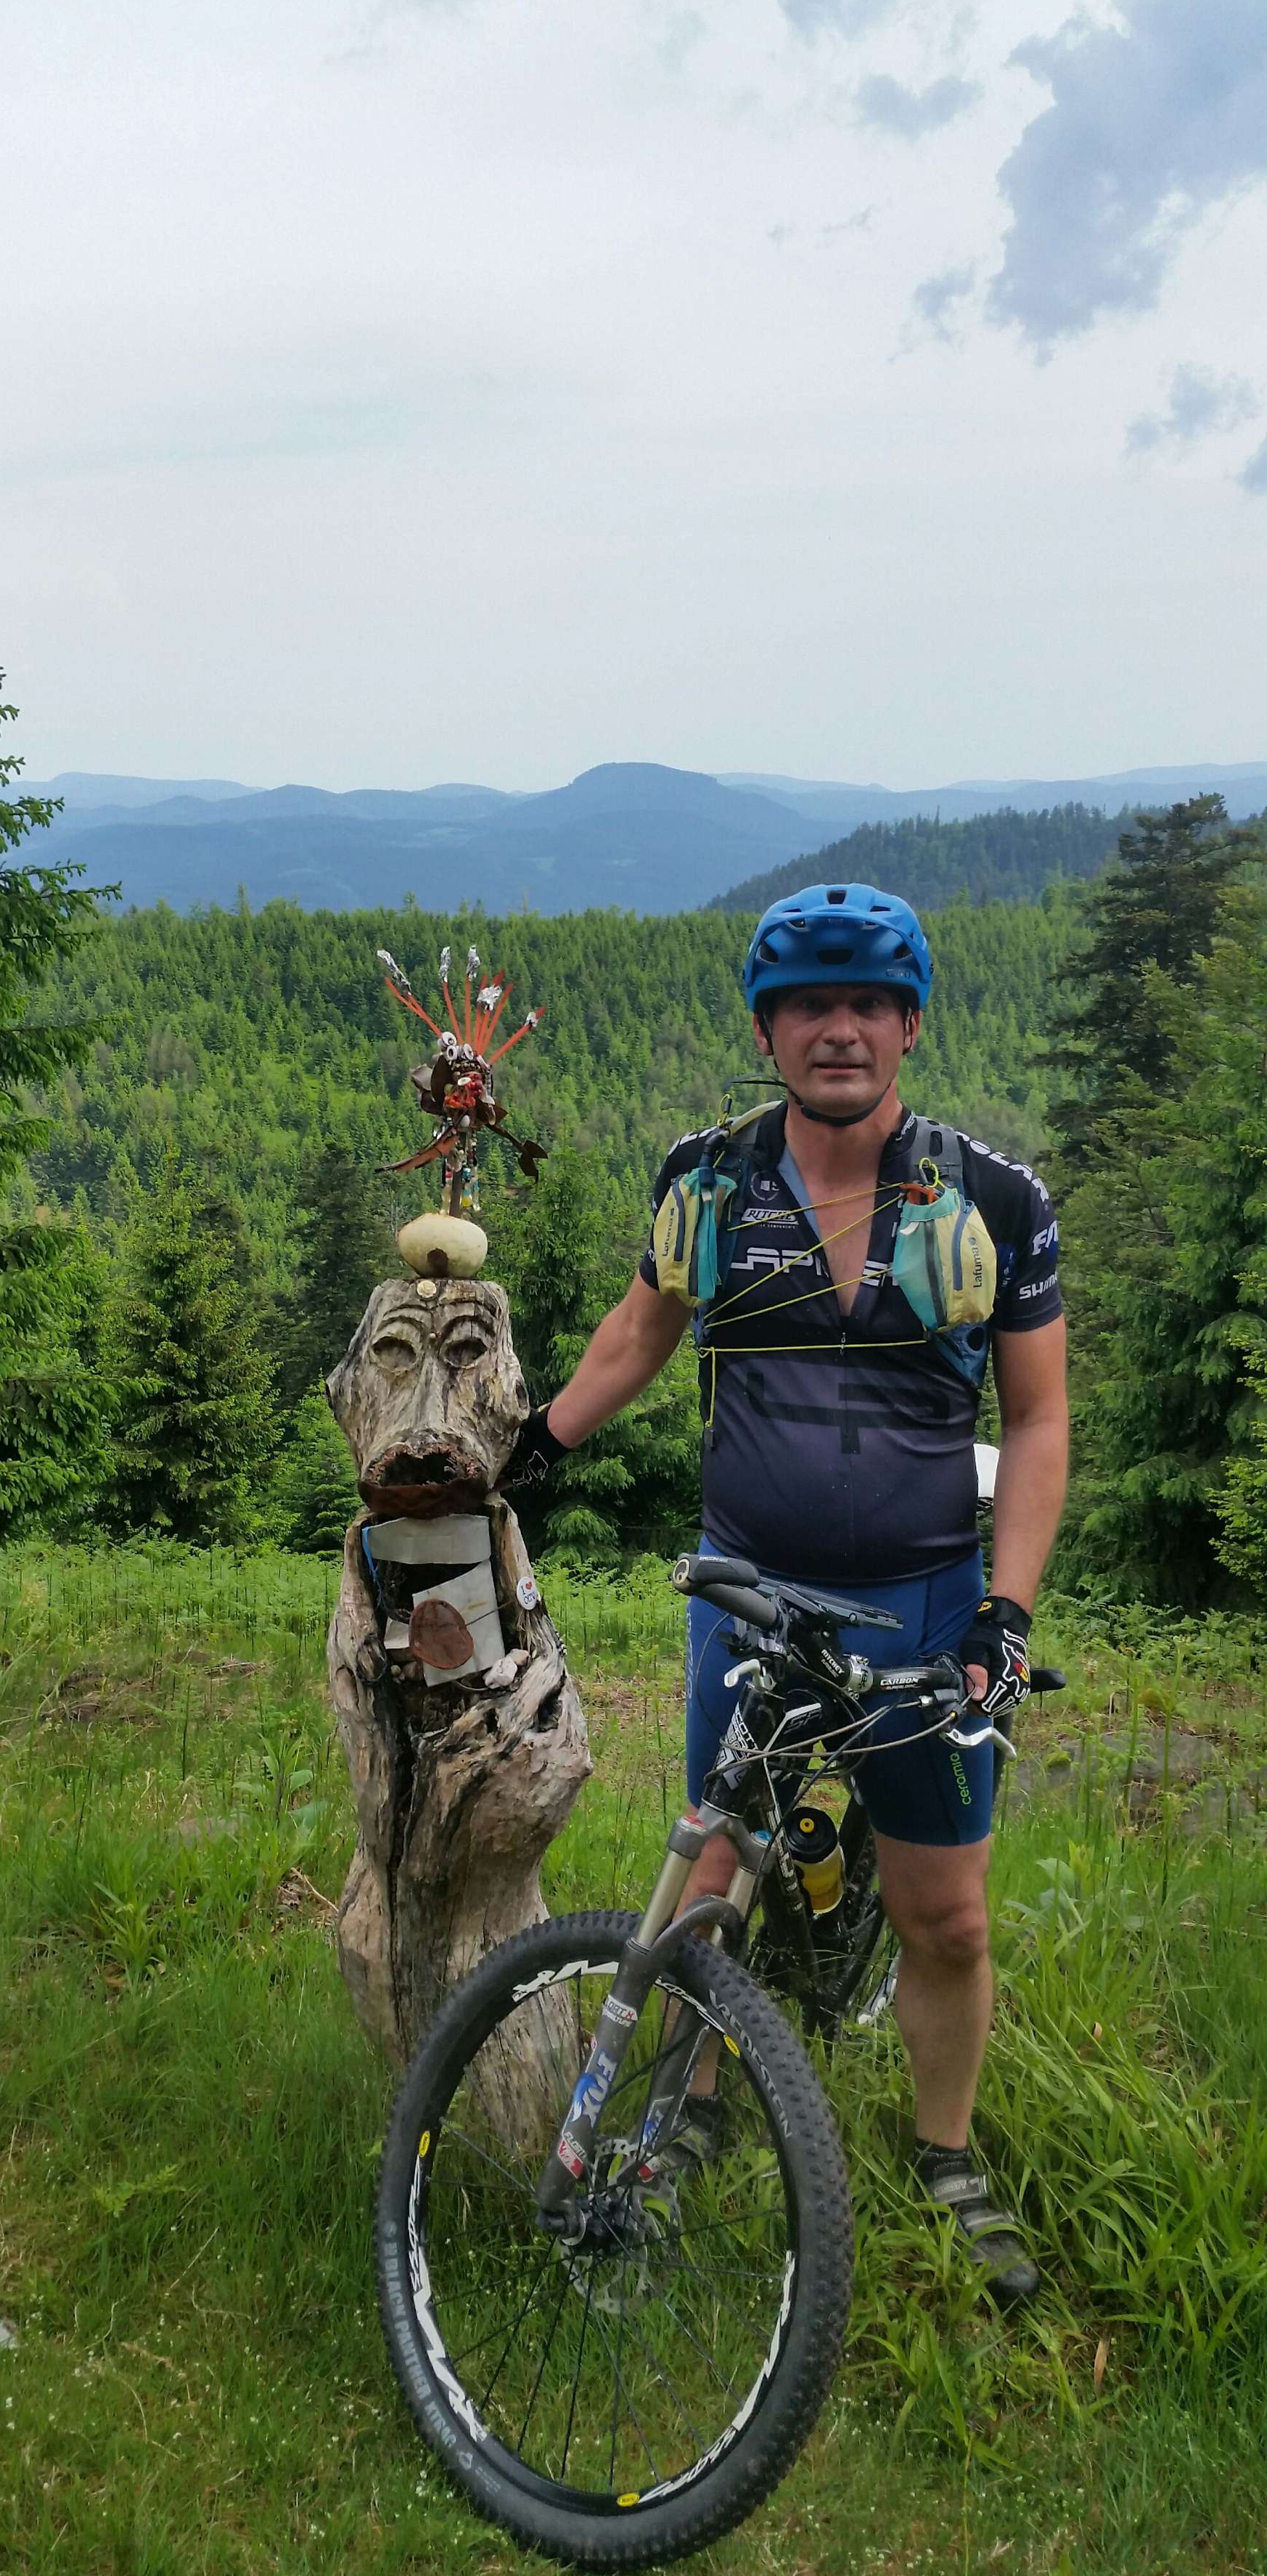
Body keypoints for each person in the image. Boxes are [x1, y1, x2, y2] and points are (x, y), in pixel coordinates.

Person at [509, 881, 1068, 2303]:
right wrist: (531, 1452)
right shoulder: (706, 1182)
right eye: (807, 1005)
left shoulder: (996, 1200)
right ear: (767, 1031)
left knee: (948, 1915)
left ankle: (943, 2154)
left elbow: (1039, 1418)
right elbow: (640, 1332)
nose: (839, 1029)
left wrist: (1006, 1613)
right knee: (715, 1880)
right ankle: (688, 2117)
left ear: (910, 1025)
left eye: (867, 1003)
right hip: (750, 1596)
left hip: (929, 1599)